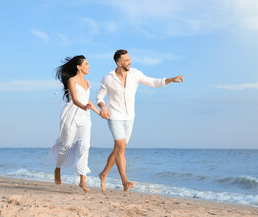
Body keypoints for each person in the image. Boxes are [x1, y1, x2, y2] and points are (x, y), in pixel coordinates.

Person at [96, 49, 184, 192]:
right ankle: (124, 181)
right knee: (121, 147)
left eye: (129, 59)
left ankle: (103, 173)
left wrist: (171, 79)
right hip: (115, 116)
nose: (129, 62)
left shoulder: (135, 74)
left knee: (119, 149)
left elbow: (153, 82)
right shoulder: (108, 78)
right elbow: (100, 97)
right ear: (119, 63)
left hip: (130, 117)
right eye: (126, 60)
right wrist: (103, 107)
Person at [51, 55, 101, 192]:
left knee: (85, 145)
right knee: (66, 144)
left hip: (85, 116)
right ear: (79, 67)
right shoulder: (72, 81)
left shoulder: (87, 82)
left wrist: (99, 112)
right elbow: (75, 99)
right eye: (86, 64)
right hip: (71, 114)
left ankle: (82, 181)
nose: (88, 66)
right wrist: (83, 106)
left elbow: (88, 100)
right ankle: (58, 168)